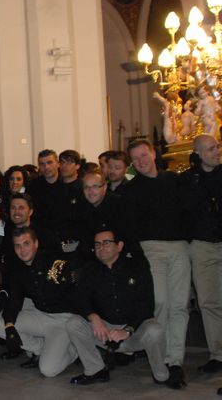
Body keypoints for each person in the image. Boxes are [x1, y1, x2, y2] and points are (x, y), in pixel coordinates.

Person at [66, 230, 173, 387]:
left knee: (155, 330)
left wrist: (128, 330)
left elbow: (146, 305)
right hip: (105, 331)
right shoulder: (90, 270)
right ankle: (96, 370)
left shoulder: (137, 267)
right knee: (73, 323)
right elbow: (80, 299)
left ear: (119, 246)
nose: (101, 247)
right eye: (97, 244)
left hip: (134, 330)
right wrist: (93, 317)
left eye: (106, 243)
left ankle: (162, 375)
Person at [124, 139, 189, 387]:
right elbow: (129, 228)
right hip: (150, 249)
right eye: (136, 158)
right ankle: (160, 359)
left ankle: (176, 361)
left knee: (180, 306)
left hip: (179, 247)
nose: (141, 161)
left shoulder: (173, 180)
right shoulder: (130, 190)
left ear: (154, 153)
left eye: (144, 155)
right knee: (160, 302)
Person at [4, 227, 77, 377]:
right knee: (1, 326)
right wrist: (10, 325)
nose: (22, 250)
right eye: (18, 245)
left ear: (36, 243)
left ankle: (74, 350)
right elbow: (14, 300)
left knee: (48, 370)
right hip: (41, 316)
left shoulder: (54, 261)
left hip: (63, 321)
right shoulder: (19, 270)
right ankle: (41, 349)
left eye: (26, 243)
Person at [180, 134, 222, 374]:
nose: (216, 151)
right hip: (202, 246)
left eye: (217, 146)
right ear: (198, 154)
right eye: (210, 149)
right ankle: (218, 353)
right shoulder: (188, 180)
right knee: (209, 302)